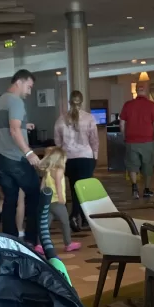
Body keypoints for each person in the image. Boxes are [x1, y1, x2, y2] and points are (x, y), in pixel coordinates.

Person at [0, 70, 42, 246]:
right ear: (19, 82)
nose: (29, 91)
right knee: (36, 193)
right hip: (16, 159)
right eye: (29, 87)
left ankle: (10, 241)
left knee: (10, 200)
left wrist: (23, 126)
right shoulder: (16, 101)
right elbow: (13, 130)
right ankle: (31, 240)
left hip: (1, 159)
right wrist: (29, 152)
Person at [53, 90, 98, 231]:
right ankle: (75, 215)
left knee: (74, 188)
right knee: (84, 189)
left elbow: (57, 143)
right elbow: (94, 140)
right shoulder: (89, 118)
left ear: (70, 102)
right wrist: (95, 157)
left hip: (69, 159)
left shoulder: (60, 120)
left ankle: (83, 218)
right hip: (86, 157)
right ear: (82, 101)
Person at [36, 147, 81, 254]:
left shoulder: (47, 171)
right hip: (57, 202)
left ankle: (39, 245)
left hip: (48, 202)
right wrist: (61, 198)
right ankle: (68, 243)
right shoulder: (59, 170)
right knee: (65, 222)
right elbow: (58, 185)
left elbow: (42, 187)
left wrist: (43, 199)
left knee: (45, 225)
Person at [120, 81, 154, 199]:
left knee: (132, 165)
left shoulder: (127, 105)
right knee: (148, 165)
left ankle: (134, 187)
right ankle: (146, 189)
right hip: (147, 140)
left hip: (131, 140)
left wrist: (125, 136)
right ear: (146, 91)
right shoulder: (151, 105)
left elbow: (122, 124)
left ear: (136, 91)